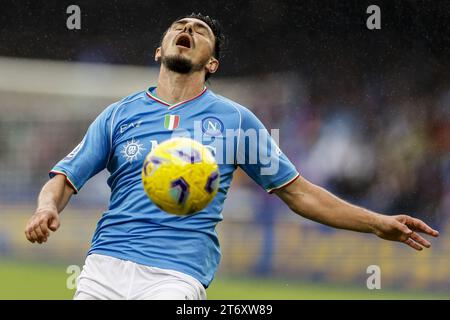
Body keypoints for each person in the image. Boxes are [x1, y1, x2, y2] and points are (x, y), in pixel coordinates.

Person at [25, 13, 439, 300]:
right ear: (159, 50)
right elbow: (64, 177)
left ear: (213, 61)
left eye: (199, 30)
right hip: (105, 264)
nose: (188, 28)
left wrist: (376, 222)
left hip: (176, 274)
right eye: (179, 26)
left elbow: (300, 194)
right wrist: (45, 208)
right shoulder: (119, 114)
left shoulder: (234, 121)